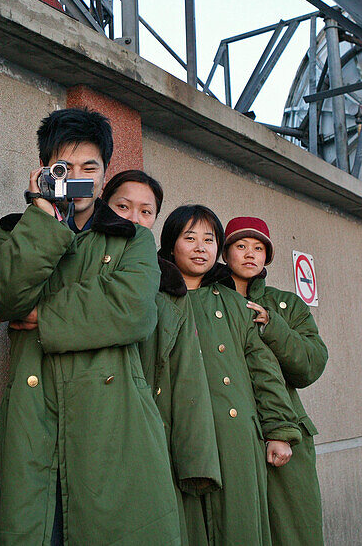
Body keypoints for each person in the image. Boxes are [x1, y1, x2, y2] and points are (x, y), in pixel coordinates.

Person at [0, 109, 181, 545]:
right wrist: (41, 216)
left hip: (114, 419)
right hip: (34, 415)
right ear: (43, 172)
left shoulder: (134, 239)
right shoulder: (14, 233)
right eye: (63, 168)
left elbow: (133, 310)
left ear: (105, 174)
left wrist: (42, 316)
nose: (78, 177)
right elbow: (0, 296)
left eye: (89, 167)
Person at [159, 204, 303, 546]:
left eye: (209, 239)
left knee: (239, 527)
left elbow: (264, 374)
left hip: (236, 437)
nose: (200, 247)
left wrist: (280, 430)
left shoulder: (236, 305)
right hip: (173, 433)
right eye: (189, 238)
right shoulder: (153, 299)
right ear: (170, 245)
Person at [103, 171, 221, 545]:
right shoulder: (82, 255)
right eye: (122, 207)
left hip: (158, 434)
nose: (134, 219)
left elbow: (187, 381)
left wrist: (196, 462)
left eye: (146, 211)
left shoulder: (179, 296)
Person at [223, 216, 328, 546]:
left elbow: (311, 365)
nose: (250, 254)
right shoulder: (210, 300)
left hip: (287, 432)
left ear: (267, 256)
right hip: (232, 429)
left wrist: (274, 327)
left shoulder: (287, 304)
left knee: (294, 530)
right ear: (225, 253)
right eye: (240, 246)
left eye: (258, 248)